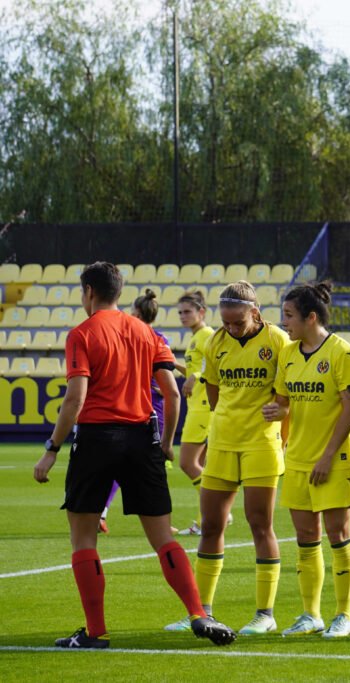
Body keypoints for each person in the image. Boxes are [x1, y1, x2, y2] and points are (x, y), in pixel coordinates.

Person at [32, 261, 235, 648]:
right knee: (163, 538)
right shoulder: (146, 332)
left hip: (96, 438)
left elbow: (76, 398)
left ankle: (95, 632)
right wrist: (166, 442)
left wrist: (51, 450)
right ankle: (198, 613)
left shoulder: (82, 334)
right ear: (119, 292)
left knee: (84, 539)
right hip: (143, 437)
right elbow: (173, 394)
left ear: (89, 292)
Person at [262, 282, 350, 638]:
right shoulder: (288, 354)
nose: (283, 322)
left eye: (288, 315)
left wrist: (327, 456)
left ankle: (344, 615)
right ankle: (311, 615)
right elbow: (285, 401)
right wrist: (278, 410)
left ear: (311, 317)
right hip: (299, 459)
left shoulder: (343, 354)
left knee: (338, 534)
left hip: (332, 460)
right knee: (306, 538)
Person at [189, 281, 290, 635]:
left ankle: (265, 613)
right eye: (226, 322)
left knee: (259, 523)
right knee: (211, 525)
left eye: (238, 322)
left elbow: (284, 398)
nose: (231, 328)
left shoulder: (277, 341)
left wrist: (278, 427)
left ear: (255, 313)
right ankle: (202, 611)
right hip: (222, 441)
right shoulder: (215, 343)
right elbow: (215, 397)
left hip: (262, 443)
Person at [98, 288, 174, 534]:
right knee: (153, 466)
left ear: (138, 314)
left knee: (120, 462)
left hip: (127, 405)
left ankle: (101, 510)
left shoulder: (126, 336)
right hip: (154, 409)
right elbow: (165, 382)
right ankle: (161, 522)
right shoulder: (158, 338)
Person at [173, 290, 215, 537]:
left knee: (188, 463)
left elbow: (213, 365)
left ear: (201, 312)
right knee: (206, 468)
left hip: (202, 409)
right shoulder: (195, 338)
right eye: (180, 312)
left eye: (187, 311)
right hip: (199, 407)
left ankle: (217, 509)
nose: (182, 316)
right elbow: (194, 368)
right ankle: (205, 520)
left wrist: (194, 376)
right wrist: (174, 365)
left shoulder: (207, 335)